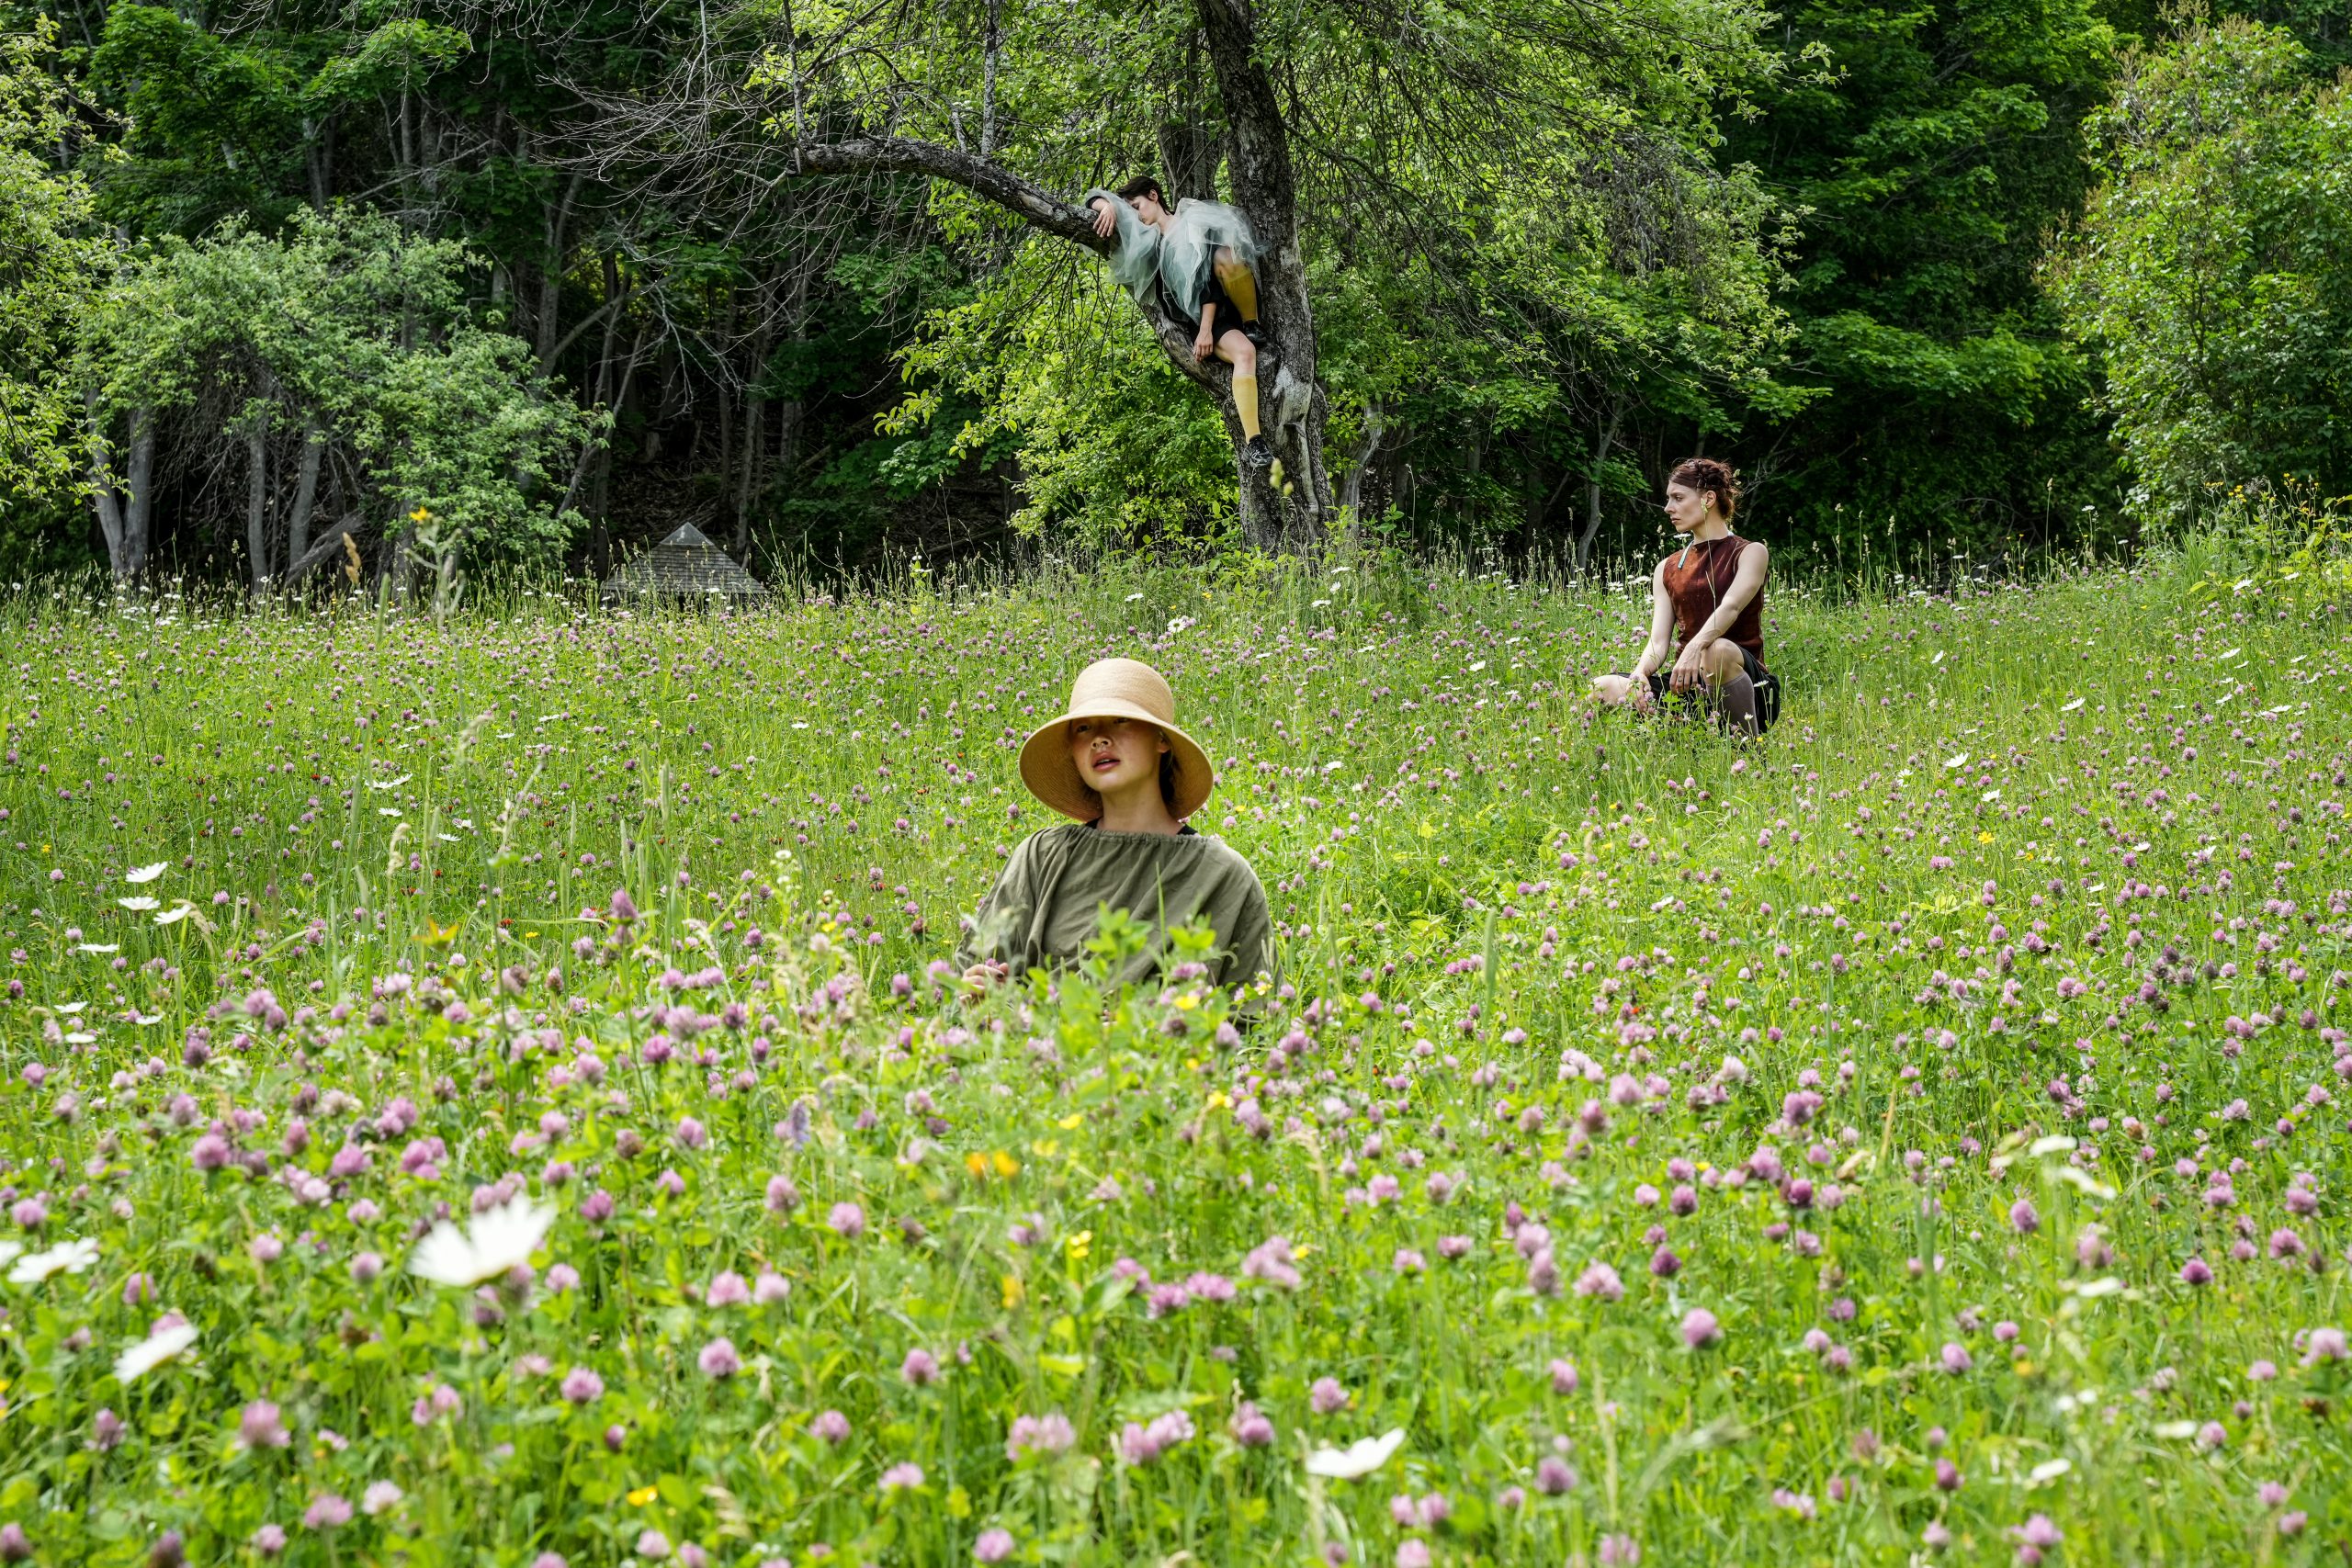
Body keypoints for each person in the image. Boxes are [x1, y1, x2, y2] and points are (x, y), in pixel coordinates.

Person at [958, 658, 1272, 991]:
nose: (1099, 739)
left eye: (1121, 720)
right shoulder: (1041, 856)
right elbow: (972, 974)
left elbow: (1255, 1019)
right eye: (1083, 728)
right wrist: (979, 990)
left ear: (1162, 740)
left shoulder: (1221, 875)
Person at [1082, 175, 1280, 479]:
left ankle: (1252, 322)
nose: (1136, 215)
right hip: (1195, 323)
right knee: (1244, 353)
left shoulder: (1192, 222)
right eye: (1130, 210)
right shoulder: (1151, 243)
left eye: (1138, 206)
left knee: (1226, 258)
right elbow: (1089, 201)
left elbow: (1210, 281)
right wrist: (1106, 205)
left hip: (1217, 313)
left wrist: (1206, 329)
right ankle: (1255, 444)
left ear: (1154, 195)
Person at [1589, 457, 1779, 738]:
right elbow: (1658, 641)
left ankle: (1749, 754)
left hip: (1751, 688)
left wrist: (1694, 648)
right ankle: (1683, 741)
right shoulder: (1666, 568)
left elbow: (1732, 605)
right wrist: (1640, 674)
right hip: (1688, 686)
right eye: (1668, 499)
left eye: (1678, 498)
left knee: (1716, 651)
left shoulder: (1750, 552)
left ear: (1708, 499)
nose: (1669, 508)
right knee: (1602, 687)